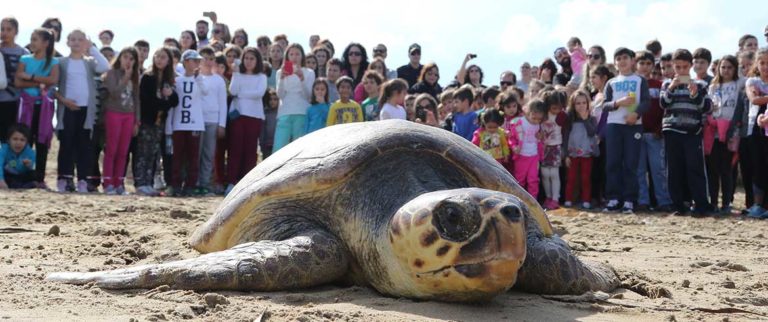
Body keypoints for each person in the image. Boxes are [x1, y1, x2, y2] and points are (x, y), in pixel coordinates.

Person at [53, 29, 109, 193]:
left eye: (80, 40)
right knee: (67, 144)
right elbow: (54, 87)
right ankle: (64, 178)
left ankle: (83, 180)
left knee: (84, 146)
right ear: (68, 42)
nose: (76, 43)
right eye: (73, 39)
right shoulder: (61, 62)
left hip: (86, 112)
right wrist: (64, 101)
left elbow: (105, 66)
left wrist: (91, 47)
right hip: (67, 110)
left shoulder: (90, 62)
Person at [661, 48, 714, 217]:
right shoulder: (666, 84)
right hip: (672, 130)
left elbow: (706, 107)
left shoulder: (701, 84)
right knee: (674, 170)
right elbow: (663, 103)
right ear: (673, 66)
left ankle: (700, 205)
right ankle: (678, 205)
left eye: (685, 67)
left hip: (692, 132)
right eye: (678, 67)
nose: (681, 70)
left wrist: (695, 93)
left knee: (695, 169)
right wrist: (672, 87)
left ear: (691, 66)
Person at [595, 47, 649, 214]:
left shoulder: (640, 80)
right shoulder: (611, 82)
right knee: (613, 163)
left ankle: (629, 201)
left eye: (625, 57)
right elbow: (604, 105)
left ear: (632, 60)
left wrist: (636, 114)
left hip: (633, 126)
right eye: (618, 58)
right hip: (614, 126)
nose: (622, 61)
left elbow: (646, 102)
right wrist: (618, 103)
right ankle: (613, 199)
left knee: (631, 165)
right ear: (615, 63)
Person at [14, 28, 59, 189]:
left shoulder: (54, 62)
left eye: (35, 39)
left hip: (44, 108)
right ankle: (21, 176)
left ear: (46, 43)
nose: (32, 42)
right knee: (25, 140)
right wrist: (39, 83)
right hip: (26, 106)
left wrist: (31, 77)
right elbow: (18, 82)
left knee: (42, 141)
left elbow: (53, 79)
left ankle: (40, 177)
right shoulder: (24, 59)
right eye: (31, 39)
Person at [134, 47, 178, 196]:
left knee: (153, 153)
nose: (159, 59)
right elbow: (148, 101)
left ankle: (149, 182)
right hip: (147, 121)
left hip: (160, 123)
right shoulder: (148, 77)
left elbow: (175, 100)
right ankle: (141, 182)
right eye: (157, 56)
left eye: (163, 57)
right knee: (143, 153)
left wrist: (169, 95)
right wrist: (165, 103)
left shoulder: (168, 79)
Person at [633, 50, 673, 213]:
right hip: (637, 133)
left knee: (658, 170)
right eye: (641, 63)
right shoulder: (634, 85)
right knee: (640, 170)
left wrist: (659, 128)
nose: (645, 66)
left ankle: (663, 201)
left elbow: (664, 109)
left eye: (648, 63)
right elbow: (631, 109)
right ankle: (642, 201)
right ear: (636, 64)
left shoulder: (659, 85)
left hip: (655, 134)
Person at [706, 55, 744, 215]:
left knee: (727, 170)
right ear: (718, 69)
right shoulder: (714, 86)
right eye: (723, 67)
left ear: (735, 69)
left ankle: (726, 203)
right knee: (713, 169)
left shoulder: (740, 83)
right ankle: (713, 202)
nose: (726, 70)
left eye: (730, 67)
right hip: (714, 132)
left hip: (731, 131)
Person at [100, 47, 139, 195]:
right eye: (125, 57)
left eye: (131, 59)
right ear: (120, 58)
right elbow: (115, 93)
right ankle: (108, 183)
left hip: (129, 116)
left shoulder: (135, 77)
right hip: (114, 113)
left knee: (123, 151)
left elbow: (136, 99)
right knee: (111, 149)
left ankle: (119, 183)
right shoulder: (111, 74)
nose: (128, 61)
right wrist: (125, 77)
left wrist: (137, 121)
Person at [227, 47, 267, 194]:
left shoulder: (261, 77)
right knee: (235, 148)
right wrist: (236, 73)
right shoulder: (238, 74)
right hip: (238, 116)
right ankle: (231, 182)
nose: (249, 62)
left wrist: (241, 94)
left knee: (250, 150)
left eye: (252, 58)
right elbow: (232, 91)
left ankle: (246, 183)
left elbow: (259, 93)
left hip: (254, 116)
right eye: (246, 58)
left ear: (257, 61)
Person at [167, 50, 206, 196]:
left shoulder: (200, 79)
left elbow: (205, 92)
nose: (196, 63)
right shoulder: (177, 81)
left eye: (198, 61)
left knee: (193, 157)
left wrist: (199, 78)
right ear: (186, 62)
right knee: (177, 157)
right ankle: (175, 185)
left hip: (195, 124)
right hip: (179, 124)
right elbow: (173, 103)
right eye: (193, 60)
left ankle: (190, 185)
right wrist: (169, 126)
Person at [196, 46, 228, 195]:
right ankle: (194, 182)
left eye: (211, 59)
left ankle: (205, 183)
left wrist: (222, 124)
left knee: (209, 154)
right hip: (196, 120)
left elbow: (223, 103)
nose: (208, 62)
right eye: (205, 58)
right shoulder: (195, 77)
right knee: (196, 153)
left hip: (213, 120)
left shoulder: (219, 80)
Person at [274, 43, 315, 152]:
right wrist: (282, 79)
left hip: (302, 112)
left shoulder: (309, 72)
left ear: (302, 56)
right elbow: (280, 95)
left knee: (299, 149)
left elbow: (309, 96)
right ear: (287, 56)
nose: (294, 57)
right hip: (284, 112)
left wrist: (302, 78)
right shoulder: (279, 72)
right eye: (291, 54)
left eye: (297, 54)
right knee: (279, 148)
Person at [563, 90, 598, 209]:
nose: (581, 106)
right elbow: (566, 136)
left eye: (584, 103)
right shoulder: (569, 119)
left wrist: (585, 119)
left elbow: (592, 132)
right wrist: (566, 154)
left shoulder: (592, 118)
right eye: (578, 103)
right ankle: (568, 199)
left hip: (586, 153)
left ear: (588, 104)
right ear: (573, 105)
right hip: (572, 153)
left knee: (585, 178)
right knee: (571, 178)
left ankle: (586, 200)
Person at [508, 99, 546, 198]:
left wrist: (541, 138)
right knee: (520, 180)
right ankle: (519, 200)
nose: (536, 121)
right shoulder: (518, 122)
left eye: (539, 119)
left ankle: (534, 201)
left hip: (534, 156)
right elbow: (511, 138)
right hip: (521, 156)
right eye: (534, 118)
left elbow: (540, 140)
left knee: (533, 180)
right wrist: (514, 146)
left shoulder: (539, 125)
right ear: (528, 112)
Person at [746, 48, 768, 218]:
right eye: (762, 63)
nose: (765, 67)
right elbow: (754, 99)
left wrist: (764, 96)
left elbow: (761, 98)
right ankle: (758, 204)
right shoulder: (752, 81)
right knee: (758, 167)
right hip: (756, 129)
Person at [0, 17, 29, 143]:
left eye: (8, 29)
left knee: (9, 139)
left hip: (14, 102)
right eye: (2, 29)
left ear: (16, 32)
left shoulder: (24, 53)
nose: (4, 32)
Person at [539, 89, 567, 210]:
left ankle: (555, 198)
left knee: (554, 174)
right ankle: (548, 197)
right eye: (554, 108)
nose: (556, 110)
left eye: (559, 108)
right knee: (545, 174)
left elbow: (566, 131)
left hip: (556, 146)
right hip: (544, 147)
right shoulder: (543, 115)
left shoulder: (562, 116)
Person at [0, 124, 36, 189]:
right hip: (6, 175)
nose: (18, 143)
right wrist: (1, 181)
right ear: (8, 140)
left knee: (33, 174)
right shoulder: (4, 150)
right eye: (15, 139)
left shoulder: (30, 152)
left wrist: (28, 165)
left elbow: (28, 169)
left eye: (22, 140)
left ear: (27, 142)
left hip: (19, 176)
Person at [259, 88, 278, 160]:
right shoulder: (265, 113)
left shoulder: (280, 113)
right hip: (266, 145)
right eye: (270, 99)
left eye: (275, 99)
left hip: (277, 144)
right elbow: (262, 131)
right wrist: (261, 144)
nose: (272, 101)